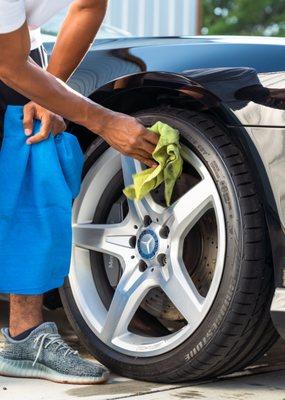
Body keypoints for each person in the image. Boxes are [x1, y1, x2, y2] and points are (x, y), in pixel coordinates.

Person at [0, 0, 158, 384]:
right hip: (9, 54)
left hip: (19, 50)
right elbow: (8, 64)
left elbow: (89, 5)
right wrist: (104, 121)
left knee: (35, 166)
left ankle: (26, 336)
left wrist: (48, 93)